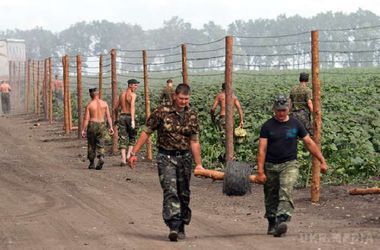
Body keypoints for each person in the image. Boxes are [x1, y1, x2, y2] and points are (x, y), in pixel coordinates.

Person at [128, 84, 205, 242]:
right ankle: (173, 226)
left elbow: (194, 141)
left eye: (186, 99)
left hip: (185, 158)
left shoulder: (192, 115)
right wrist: (134, 153)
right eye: (181, 98)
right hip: (166, 157)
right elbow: (146, 132)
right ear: (175, 96)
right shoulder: (161, 112)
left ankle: (182, 224)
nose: (184, 102)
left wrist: (199, 164)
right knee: (170, 191)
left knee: (184, 193)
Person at [255, 94, 327, 237]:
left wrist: (322, 160)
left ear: (289, 109)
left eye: (284, 110)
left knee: (286, 189)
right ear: (274, 110)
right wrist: (260, 171)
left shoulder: (296, 124)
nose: (281, 113)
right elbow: (262, 149)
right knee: (270, 196)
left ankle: (282, 220)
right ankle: (271, 222)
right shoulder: (267, 126)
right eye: (278, 110)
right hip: (270, 165)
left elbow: (309, 143)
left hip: (289, 164)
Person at [81, 88, 114, 170]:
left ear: (90, 95)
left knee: (91, 144)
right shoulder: (104, 103)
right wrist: (111, 127)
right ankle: (101, 157)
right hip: (102, 125)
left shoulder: (90, 105)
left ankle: (92, 163)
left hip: (92, 124)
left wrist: (83, 129)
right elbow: (108, 117)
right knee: (101, 142)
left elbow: (86, 119)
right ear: (98, 94)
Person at [114, 79, 139, 166]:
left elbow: (116, 108)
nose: (136, 87)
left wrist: (117, 118)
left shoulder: (121, 94)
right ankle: (128, 156)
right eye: (135, 85)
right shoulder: (133, 95)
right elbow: (132, 107)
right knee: (132, 137)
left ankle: (123, 159)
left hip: (121, 117)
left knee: (122, 138)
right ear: (130, 85)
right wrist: (132, 120)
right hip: (129, 116)